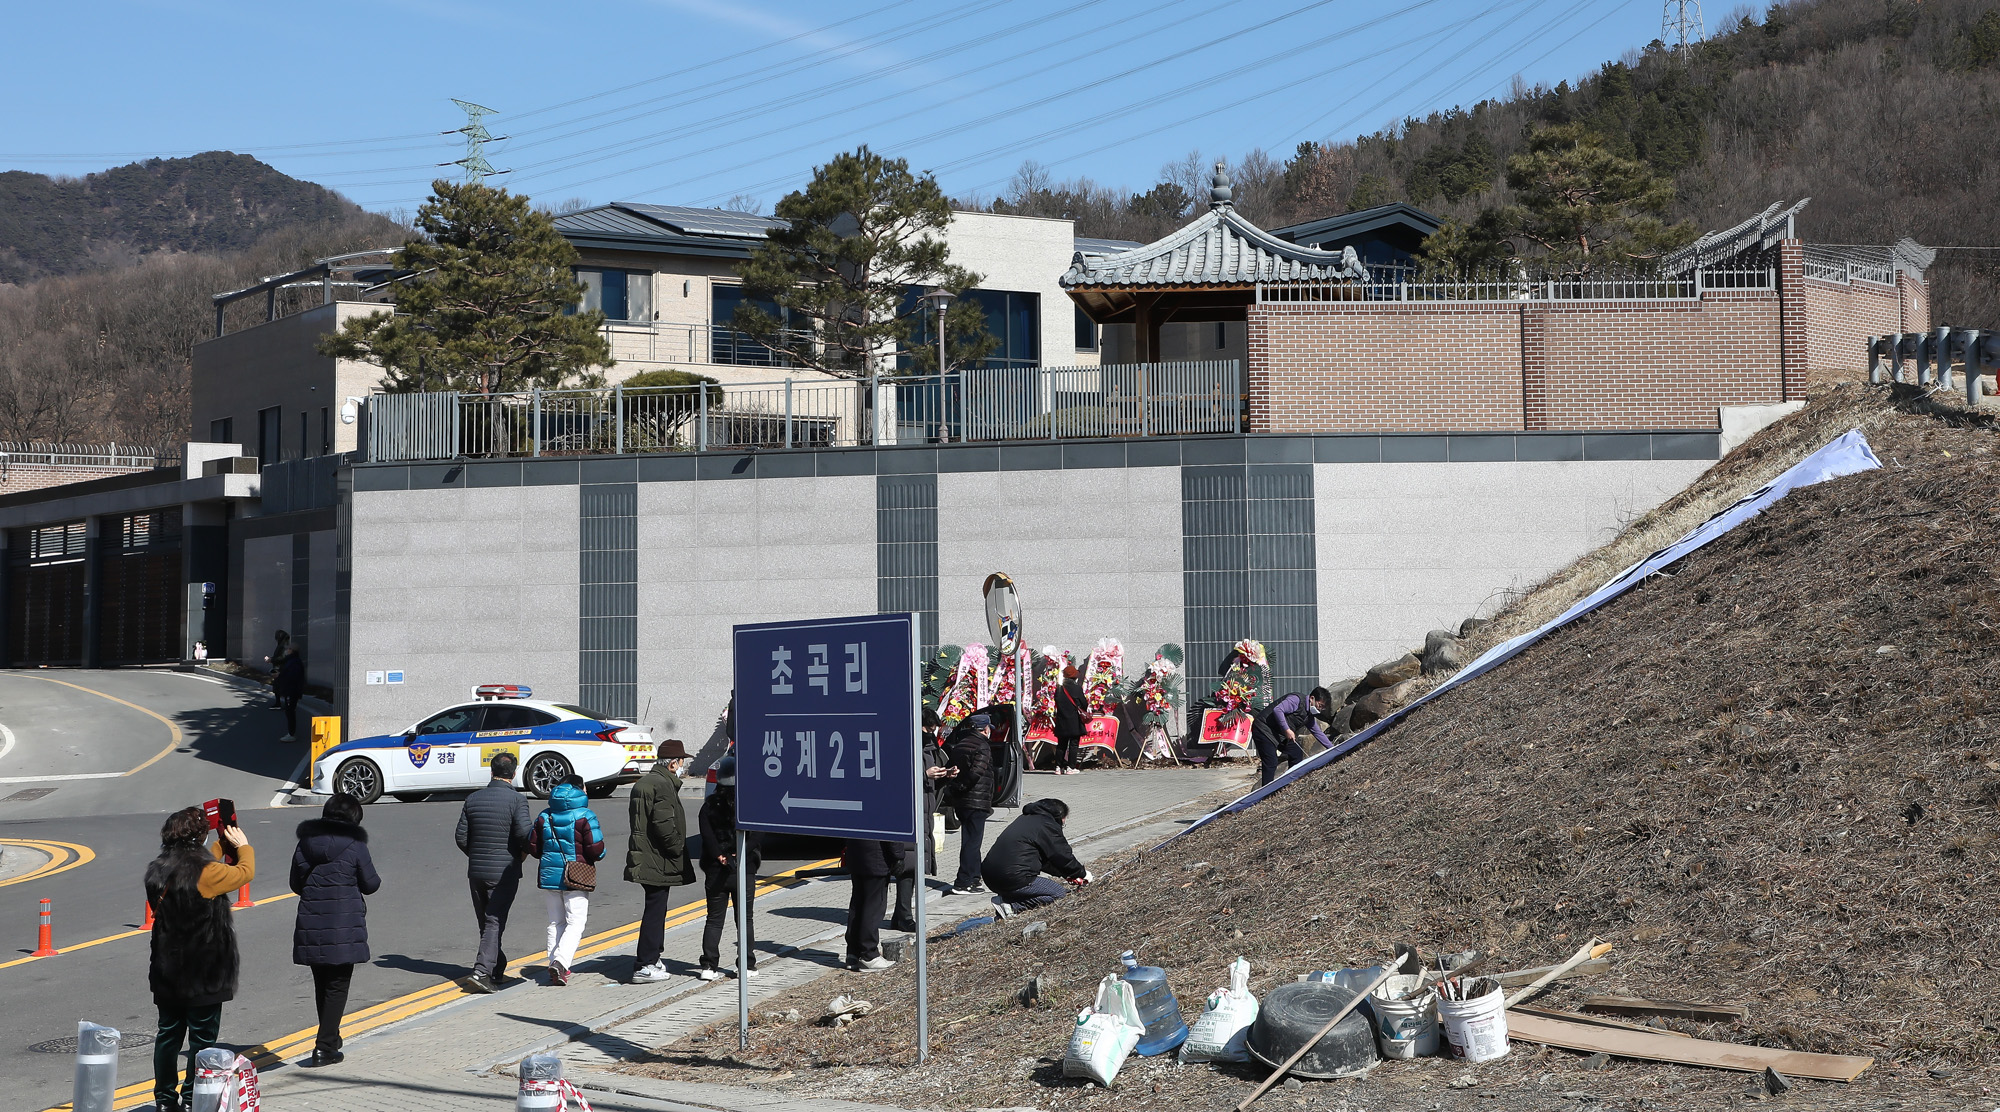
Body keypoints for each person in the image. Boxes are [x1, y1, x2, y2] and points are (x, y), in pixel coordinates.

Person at [145, 807, 253, 1112]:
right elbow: (245, 872)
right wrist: (242, 845)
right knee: (203, 1038)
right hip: (203, 969)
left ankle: (165, 1100)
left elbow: (196, 868)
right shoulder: (209, 873)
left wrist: (218, 847)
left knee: (168, 1034)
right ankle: (193, 1096)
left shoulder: (157, 870)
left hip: (167, 966)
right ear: (199, 836)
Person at [289, 792, 380, 1068]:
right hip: (343, 925)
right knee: (338, 986)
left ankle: (331, 1035)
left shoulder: (306, 842)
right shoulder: (354, 844)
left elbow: (295, 882)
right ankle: (324, 1047)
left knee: (322, 983)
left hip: (312, 922)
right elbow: (371, 884)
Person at [456, 750, 531, 994]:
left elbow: (461, 837)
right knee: (494, 920)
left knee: (486, 921)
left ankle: (496, 966)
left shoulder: (473, 798)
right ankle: (481, 971)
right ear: (515, 773)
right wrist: (522, 854)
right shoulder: (517, 800)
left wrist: (477, 854)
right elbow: (524, 834)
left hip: (476, 870)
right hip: (504, 870)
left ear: (492, 771)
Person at [625, 740, 691, 984]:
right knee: (655, 910)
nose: (683, 766)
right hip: (658, 859)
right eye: (682, 762)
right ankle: (646, 963)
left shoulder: (645, 783)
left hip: (644, 855)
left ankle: (653, 957)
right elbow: (664, 826)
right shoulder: (663, 786)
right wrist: (677, 849)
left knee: (656, 907)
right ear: (673, 763)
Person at [530, 776, 605, 985]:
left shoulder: (544, 815)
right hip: (576, 875)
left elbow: (534, 848)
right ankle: (561, 963)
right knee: (576, 922)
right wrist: (602, 851)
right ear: (579, 789)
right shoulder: (586, 815)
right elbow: (596, 849)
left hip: (550, 876)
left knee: (556, 922)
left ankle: (555, 964)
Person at [696, 755, 761, 980]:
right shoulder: (748, 803)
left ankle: (708, 966)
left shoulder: (708, 806)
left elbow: (707, 835)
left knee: (714, 919)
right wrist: (738, 852)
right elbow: (756, 834)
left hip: (716, 870)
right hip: (744, 868)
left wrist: (720, 855)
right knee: (745, 918)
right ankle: (746, 964)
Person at [893, 713, 953, 932]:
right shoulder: (905, 744)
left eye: (934, 730)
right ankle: (904, 916)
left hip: (923, 811)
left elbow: (928, 782)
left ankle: (901, 914)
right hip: (909, 813)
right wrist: (924, 774)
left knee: (914, 866)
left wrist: (944, 775)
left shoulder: (928, 747)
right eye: (928, 729)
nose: (932, 734)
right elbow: (897, 777)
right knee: (908, 866)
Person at [982, 798, 1089, 918]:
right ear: (1059, 815)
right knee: (1060, 894)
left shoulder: (1027, 819)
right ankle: (1012, 906)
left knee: (1048, 890)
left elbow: (1044, 860)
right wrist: (1082, 873)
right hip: (1014, 877)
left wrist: (1068, 875)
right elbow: (1062, 855)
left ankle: (1006, 900)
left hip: (990, 876)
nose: (1063, 824)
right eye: (1064, 820)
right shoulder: (1047, 825)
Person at [943, 713, 995, 895]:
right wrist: (963, 786)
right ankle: (963, 881)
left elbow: (951, 767)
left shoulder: (960, 744)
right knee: (972, 843)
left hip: (963, 802)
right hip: (976, 801)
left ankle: (974, 878)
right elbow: (977, 772)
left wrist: (955, 788)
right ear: (985, 729)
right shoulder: (983, 746)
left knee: (971, 841)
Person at [844, 838, 905, 972]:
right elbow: (892, 831)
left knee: (858, 903)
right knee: (873, 906)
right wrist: (899, 855)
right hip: (876, 857)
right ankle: (869, 954)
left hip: (856, 853)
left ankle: (853, 953)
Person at [1253, 687, 1332, 786]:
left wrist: (1332, 748)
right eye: (1319, 705)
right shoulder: (1296, 700)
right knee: (1271, 762)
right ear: (1312, 698)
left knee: (1296, 753)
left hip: (1280, 734)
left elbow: (1317, 732)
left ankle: (1291, 783)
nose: (1319, 709)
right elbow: (1278, 710)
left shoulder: (1309, 715)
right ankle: (1265, 793)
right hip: (1264, 729)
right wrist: (1287, 729)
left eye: (1322, 708)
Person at [1052, 665, 1089, 775]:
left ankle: (1058, 767)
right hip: (1074, 720)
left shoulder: (1059, 688)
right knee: (1073, 744)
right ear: (1075, 677)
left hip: (1061, 720)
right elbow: (1084, 703)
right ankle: (1071, 767)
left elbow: (1056, 702)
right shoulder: (1077, 688)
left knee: (1061, 744)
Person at [273, 637, 306, 742]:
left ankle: (291, 734)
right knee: (289, 711)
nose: (287, 650)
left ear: (292, 650)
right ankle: (291, 733)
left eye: (289, 649)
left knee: (290, 711)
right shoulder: (291, 660)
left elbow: (292, 676)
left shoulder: (294, 662)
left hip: (292, 691)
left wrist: (280, 675)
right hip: (290, 690)